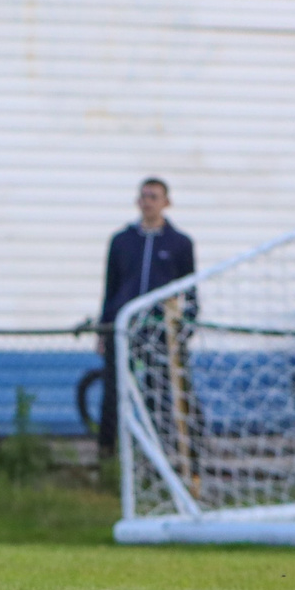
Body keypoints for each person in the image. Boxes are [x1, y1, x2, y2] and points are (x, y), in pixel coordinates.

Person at [96, 178, 197, 458]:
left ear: (166, 202)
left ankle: (161, 453)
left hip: (159, 333)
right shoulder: (122, 241)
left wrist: (183, 330)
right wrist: (104, 328)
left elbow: (190, 293)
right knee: (114, 391)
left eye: (154, 196)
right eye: (143, 196)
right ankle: (107, 452)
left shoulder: (179, 243)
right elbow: (111, 288)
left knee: (158, 392)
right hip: (123, 330)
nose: (147, 202)